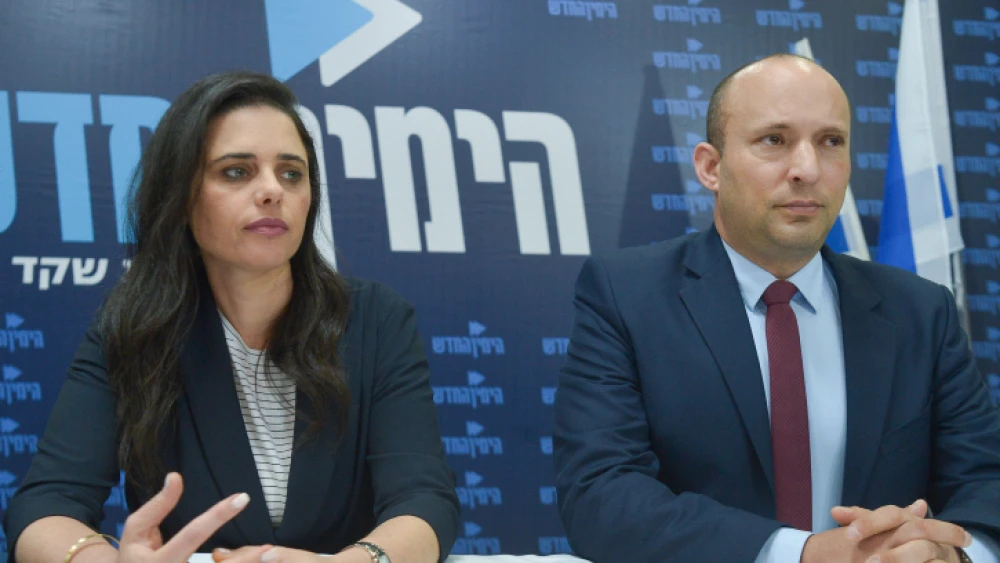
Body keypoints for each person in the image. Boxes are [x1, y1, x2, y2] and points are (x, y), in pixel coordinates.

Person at [553, 54, 1000, 563]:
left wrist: (955, 555)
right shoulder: (626, 295)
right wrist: (804, 554)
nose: (807, 170)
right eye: (775, 140)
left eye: (831, 142)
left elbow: (985, 480)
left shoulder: (921, 311)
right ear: (711, 167)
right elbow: (601, 496)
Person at [4, 71, 459, 563]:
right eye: (236, 172)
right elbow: (44, 507)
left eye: (291, 173)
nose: (272, 191)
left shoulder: (374, 318)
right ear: (180, 198)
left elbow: (424, 498)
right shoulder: (134, 328)